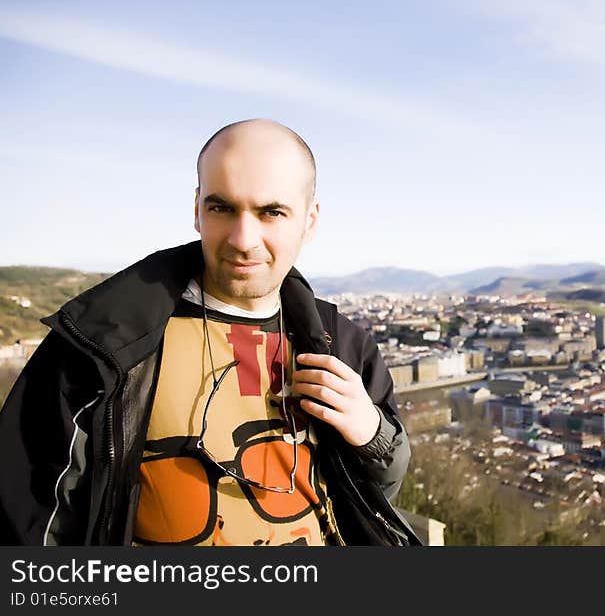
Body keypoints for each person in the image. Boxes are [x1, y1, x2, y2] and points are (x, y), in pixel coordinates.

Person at [0, 118, 421, 546]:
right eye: (222, 208)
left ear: (309, 221)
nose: (243, 238)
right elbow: (30, 518)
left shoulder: (342, 343)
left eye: (271, 212)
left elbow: (378, 494)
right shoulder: (102, 342)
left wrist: (372, 434)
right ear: (198, 209)